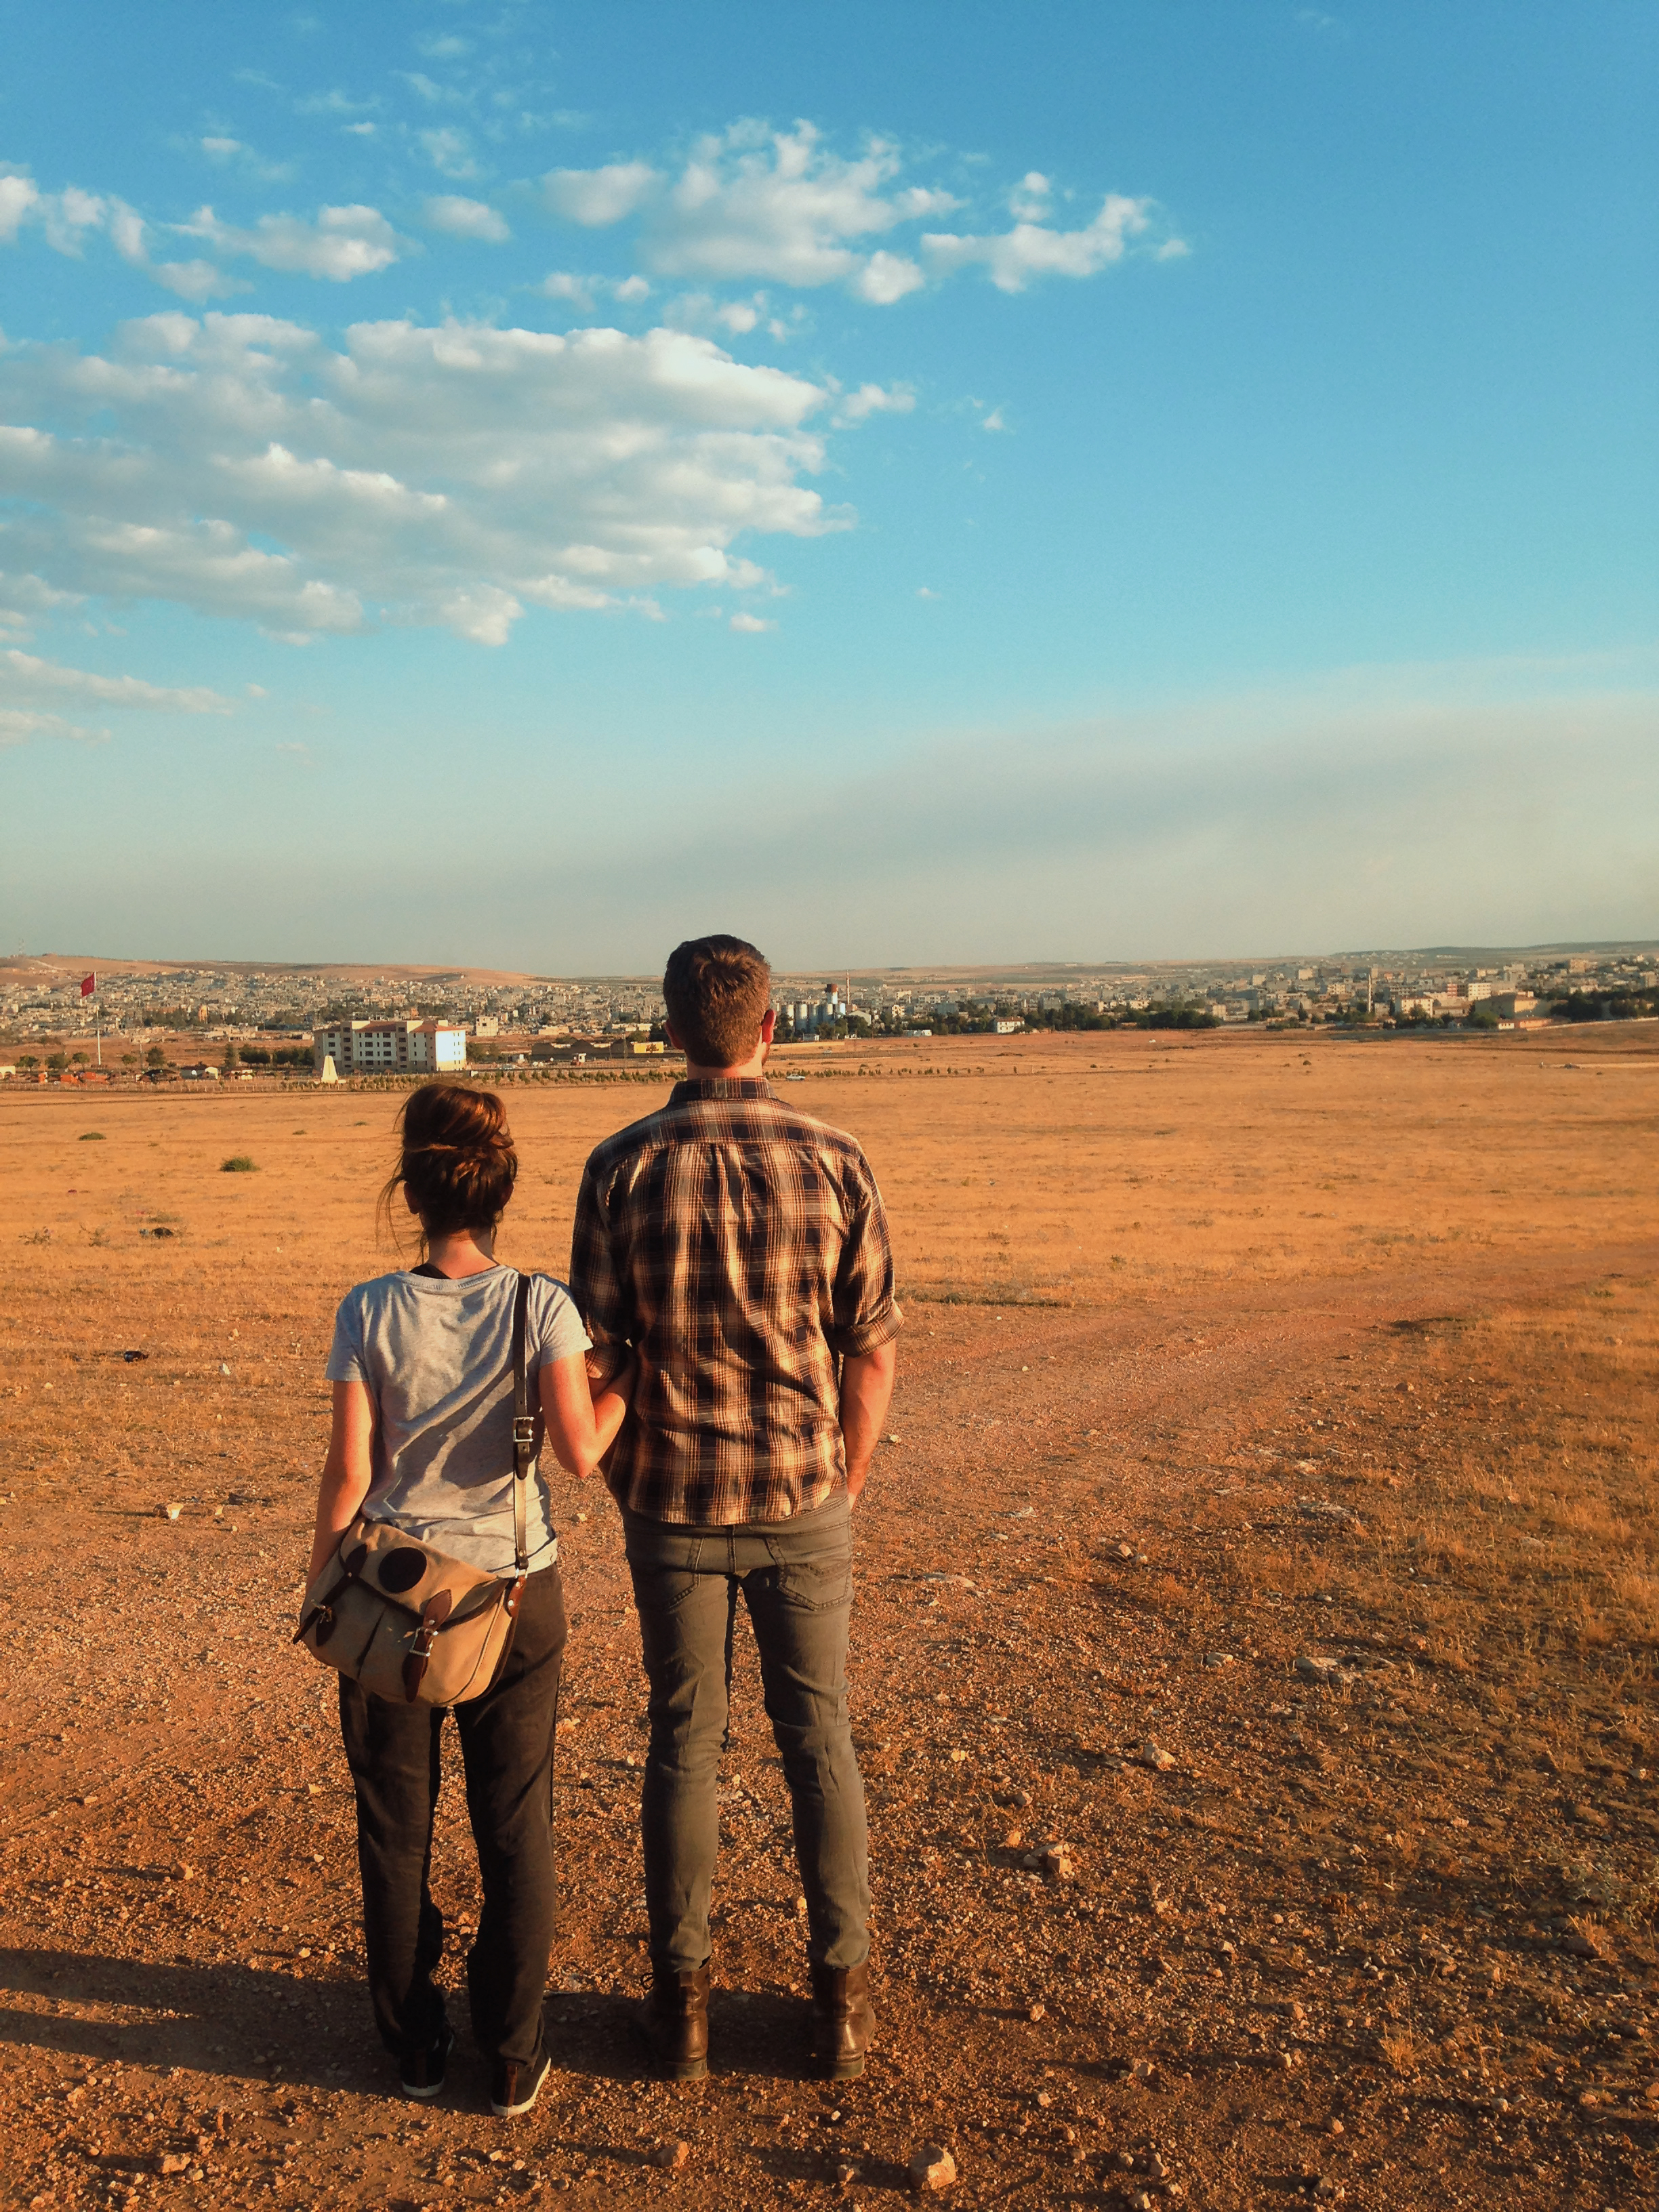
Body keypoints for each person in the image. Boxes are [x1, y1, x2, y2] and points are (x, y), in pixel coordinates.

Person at [570, 935, 899, 2082]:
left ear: (671, 1030)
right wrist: (844, 1477)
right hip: (805, 1493)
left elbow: (598, 1356)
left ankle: (684, 2012)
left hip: (671, 1505)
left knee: (683, 1744)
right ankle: (841, 2004)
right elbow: (870, 1350)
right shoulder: (837, 1158)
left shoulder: (620, 1166)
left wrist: (623, 1474)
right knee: (819, 1739)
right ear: (774, 1030)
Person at [306, 1082, 632, 2115]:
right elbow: (580, 1456)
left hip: (392, 1598)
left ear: (411, 1188)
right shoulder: (542, 1305)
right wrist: (630, 1382)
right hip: (513, 1595)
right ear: (501, 1188)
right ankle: (511, 2053)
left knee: (394, 1830)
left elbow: (350, 1474)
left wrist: (324, 1589)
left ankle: (411, 2045)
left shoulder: (368, 1307)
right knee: (514, 1822)